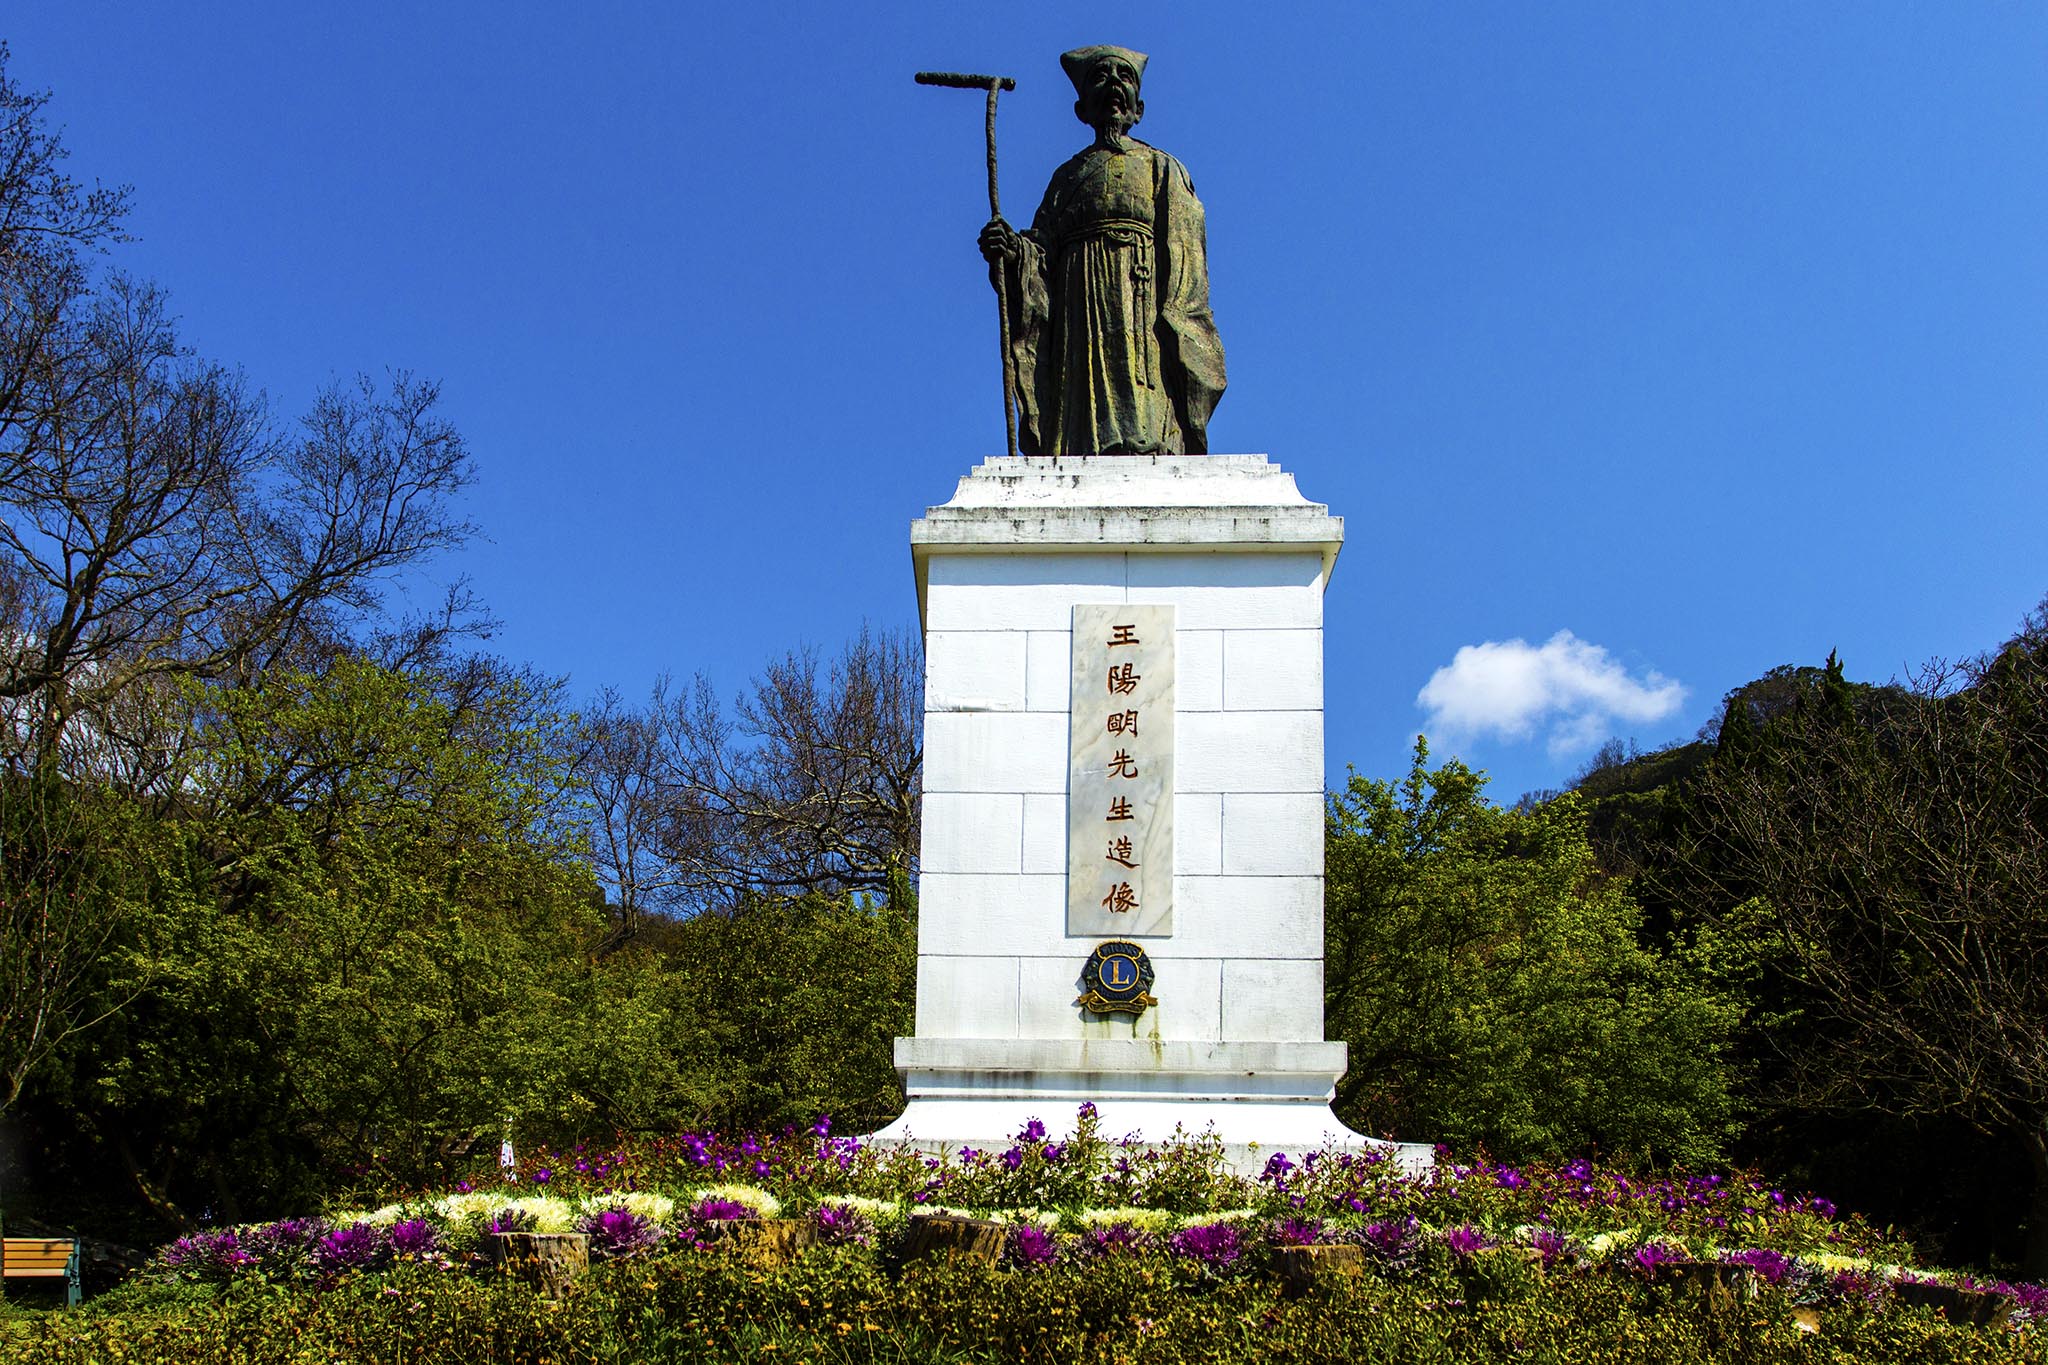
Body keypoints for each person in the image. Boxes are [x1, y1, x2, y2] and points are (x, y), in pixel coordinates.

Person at [978, 45, 1226, 456]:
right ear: (1081, 110)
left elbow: (1186, 256)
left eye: (1123, 78)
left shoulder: (1162, 168)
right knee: (1082, 392)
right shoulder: (1066, 178)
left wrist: (1180, 322)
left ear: (1138, 109)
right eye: (1100, 78)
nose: (1113, 85)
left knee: (1143, 389)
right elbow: (1041, 254)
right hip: (1081, 309)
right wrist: (1013, 253)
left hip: (1141, 300)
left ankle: (1158, 438)